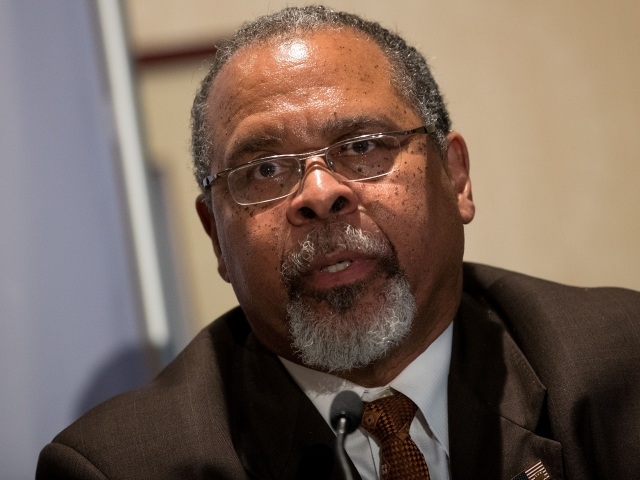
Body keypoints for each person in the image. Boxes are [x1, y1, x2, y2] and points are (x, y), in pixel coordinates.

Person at [36, 5, 640, 480]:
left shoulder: (621, 370)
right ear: (217, 236)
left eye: (362, 145)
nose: (320, 194)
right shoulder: (119, 467)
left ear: (455, 177)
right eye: (266, 169)